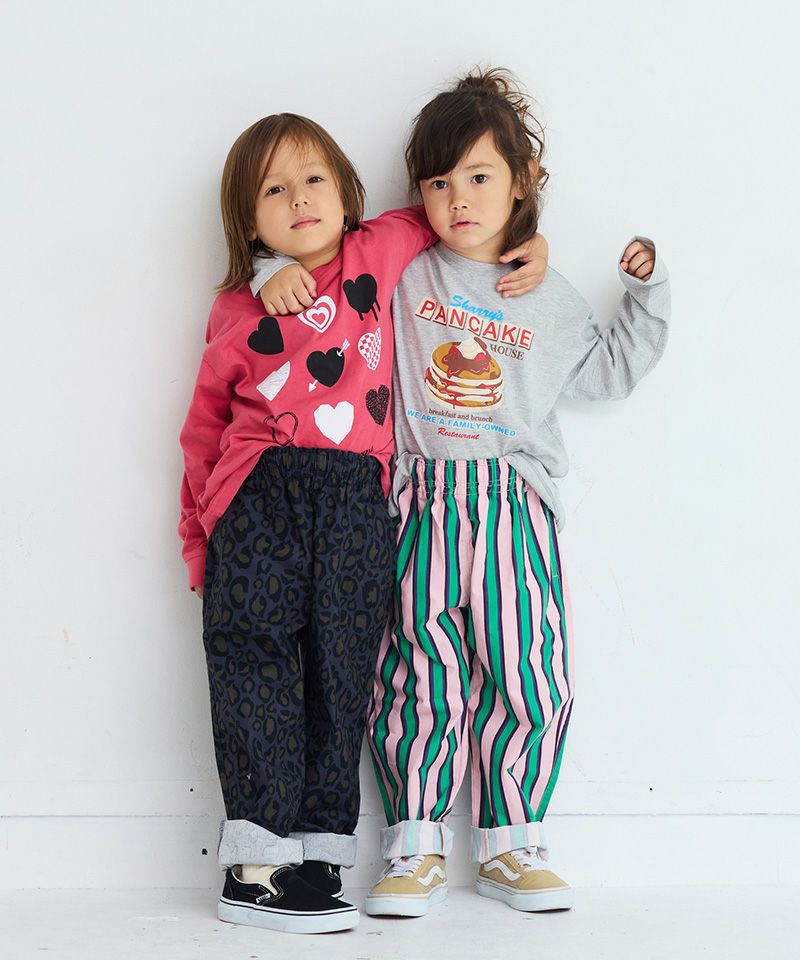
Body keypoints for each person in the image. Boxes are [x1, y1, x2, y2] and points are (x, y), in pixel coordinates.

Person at [179, 111, 545, 934]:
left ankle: (318, 856)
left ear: (348, 196)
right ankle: (255, 864)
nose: (299, 199)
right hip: (260, 501)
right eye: (274, 190)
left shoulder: (379, 251)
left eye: (314, 180)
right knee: (255, 670)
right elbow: (203, 434)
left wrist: (536, 244)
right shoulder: (238, 310)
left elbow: (455, 213)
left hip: (356, 505)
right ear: (249, 222)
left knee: (343, 678)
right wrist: (199, 541)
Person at [361, 68, 670, 917]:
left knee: (528, 670)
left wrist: (645, 292)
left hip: (512, 503)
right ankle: (415, 841)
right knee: (417, 670)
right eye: (439, 182)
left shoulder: (543, 294)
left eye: (479, 176)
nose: (458, 198)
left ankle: (511, 843)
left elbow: (609, 373)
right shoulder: (405, 275)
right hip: (420, 500)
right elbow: (349, 251)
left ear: (522, 181)